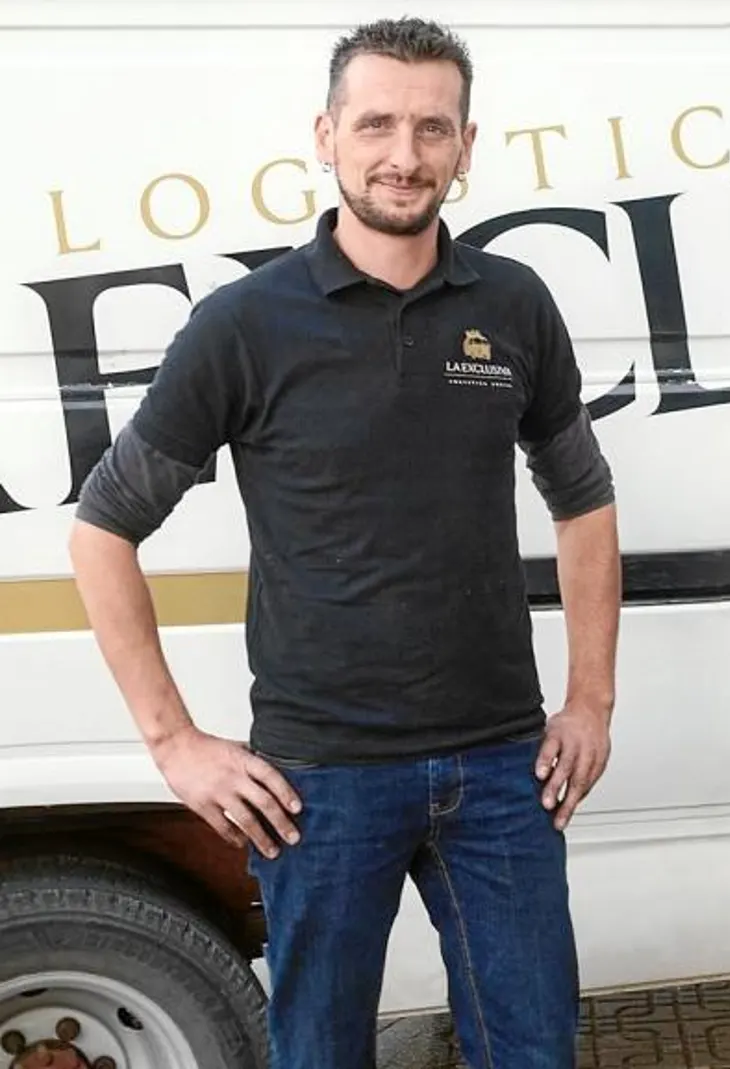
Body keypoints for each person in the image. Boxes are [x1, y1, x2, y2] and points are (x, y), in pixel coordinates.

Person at [67, 17, 619, 1069]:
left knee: (534, 1049)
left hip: (503, 768)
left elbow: (582, 497)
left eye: (430, 128)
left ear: (465, 145)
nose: (402, 155)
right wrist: (175, 743)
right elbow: (103, 531)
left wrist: (590, 698)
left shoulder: (512, 303)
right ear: (325, 135)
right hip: (320, 781)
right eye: (375, 124)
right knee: (320, 1051)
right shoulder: (244, 325)